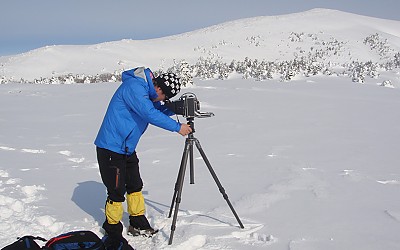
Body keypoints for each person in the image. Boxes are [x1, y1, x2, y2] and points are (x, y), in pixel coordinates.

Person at [94, 67, 192, 249]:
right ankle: (112, 230)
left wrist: (176, 107)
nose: (163, 101)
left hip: (126, 148)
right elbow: (149, 113)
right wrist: (178, 127)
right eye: (165, 98)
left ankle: (138, 222)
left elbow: (156, 110)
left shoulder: (147, 92)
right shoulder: (135, 87)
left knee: (134, 185)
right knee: (116, 191)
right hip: (110, 147)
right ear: (160, 90)